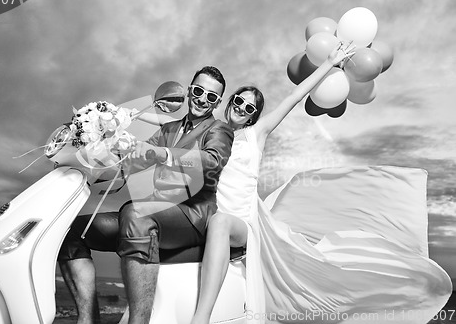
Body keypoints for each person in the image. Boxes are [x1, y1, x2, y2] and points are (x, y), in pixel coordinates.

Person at [187, 42, 452, 324]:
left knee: (221, 223)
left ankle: (200, 319)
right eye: (238, 101)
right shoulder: (211, 134)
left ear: (254, 115)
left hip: (239, 222)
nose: (241, 107)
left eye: (249, 106)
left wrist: (329, 62)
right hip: (208, 212)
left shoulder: (256, 134)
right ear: (228, 103)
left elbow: (294, 97)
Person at [57, 65, 234, 324]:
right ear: (189, 91)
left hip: (193, 215)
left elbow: (212, 160)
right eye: (198, 91)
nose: (202, 99)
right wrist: (100, 152)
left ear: (217, 103)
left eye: (211, 97)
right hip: (156, 210)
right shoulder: (168, 129)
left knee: (135, 214)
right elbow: (134, 159)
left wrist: (164, 154)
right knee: (71, 230)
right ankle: (88, 319)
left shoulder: (219, 130)